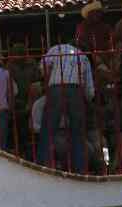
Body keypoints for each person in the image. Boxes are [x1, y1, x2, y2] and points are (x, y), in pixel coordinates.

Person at [39, 40, 94, 173]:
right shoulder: (84, 57)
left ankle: (45, 167)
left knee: (48, 130)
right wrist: (87, 100)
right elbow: (90, 90)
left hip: (56, 88)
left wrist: (48, 83)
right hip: (76, 90)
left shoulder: (56, 49)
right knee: (78, 133)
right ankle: (79, 170)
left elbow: (43, 67)